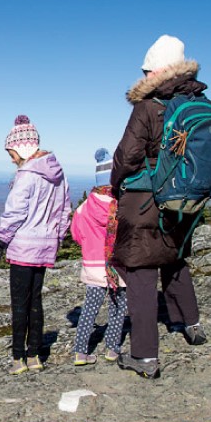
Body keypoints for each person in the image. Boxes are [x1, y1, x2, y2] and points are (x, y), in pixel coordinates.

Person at [111, 36, 211, 379]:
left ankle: (144, 357)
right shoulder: (199, 101)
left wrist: (116, 186)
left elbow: (128, 156)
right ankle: (192, 325)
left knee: (141, 271)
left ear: (156, 70)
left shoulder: (148, 106)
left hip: (145, 201)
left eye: (145, 69)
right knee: (174, 260)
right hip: (185, 199)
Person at [0, 114, 71, 375]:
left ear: (22, 148)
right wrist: (57, 238)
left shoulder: (26, 175)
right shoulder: (58, 174)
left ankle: (18, 358)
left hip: (23, 247)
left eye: (11, 152)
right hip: (45, 247)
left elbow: (14, 213)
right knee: (36, 301)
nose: (11, 158)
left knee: (19, 304)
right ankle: (35, 355)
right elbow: (64, 210)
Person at [69, 149, 128, 366]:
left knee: (90, 309)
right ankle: (112, 349)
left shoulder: (85, 207)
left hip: (93, 265)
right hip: (118, 265)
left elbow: (76, 233)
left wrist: (90, 245)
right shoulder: (124, 205)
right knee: (118, 307)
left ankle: (80, 352)